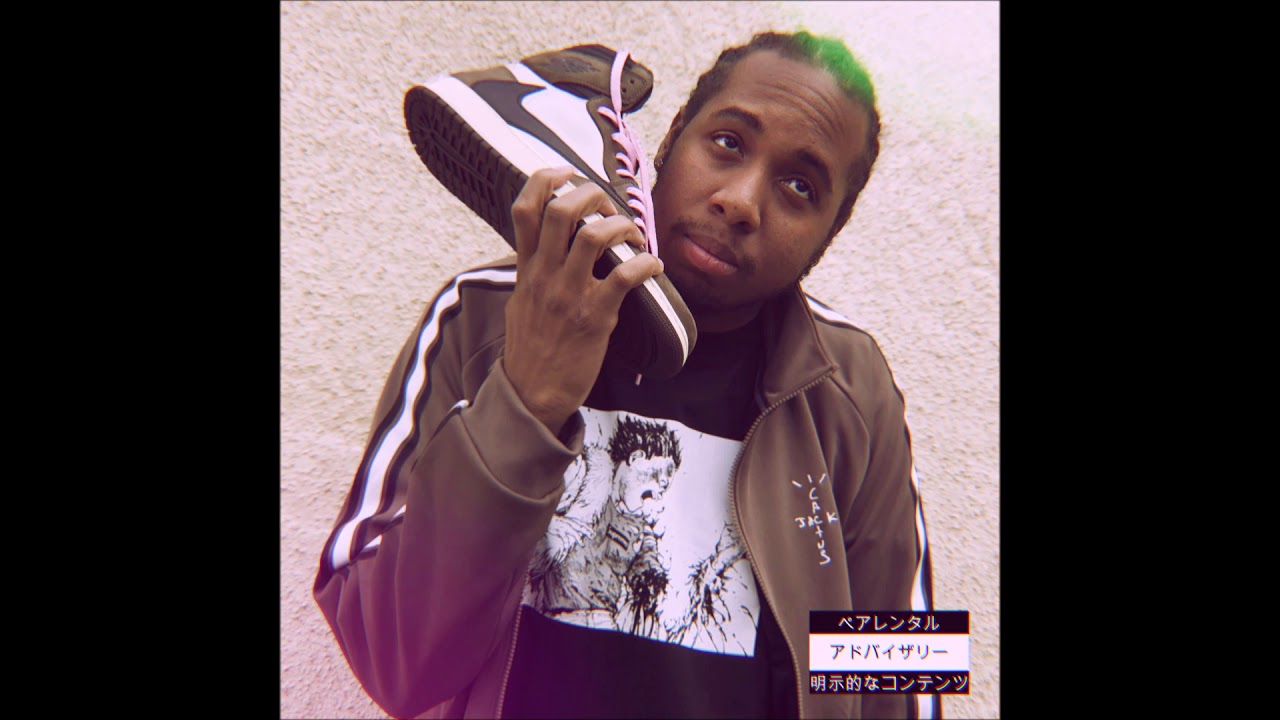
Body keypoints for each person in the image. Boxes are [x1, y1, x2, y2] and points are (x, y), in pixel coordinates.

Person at [315, 30, 939, 719]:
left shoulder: (851, 387)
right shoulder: (483, 313)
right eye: (728, 142)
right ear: (667, 141)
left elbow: (896, 679)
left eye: (800, 187)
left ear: (829, 233)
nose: (740, 200)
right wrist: (527, 395)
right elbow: (391, 659)